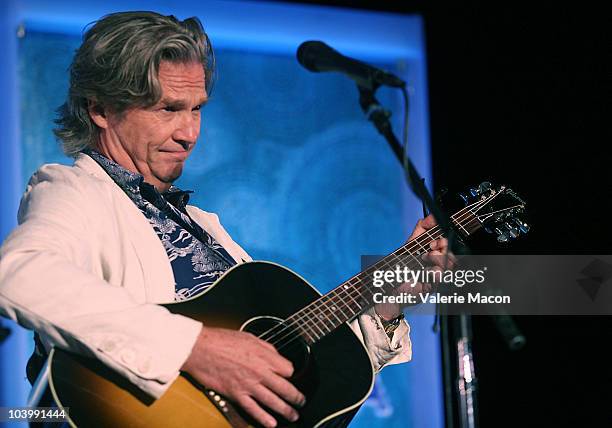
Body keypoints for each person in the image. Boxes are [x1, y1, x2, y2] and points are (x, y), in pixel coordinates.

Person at [0, 11, 449, 428]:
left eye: (196, 109)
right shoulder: (74, 191)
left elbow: (290, 371)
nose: (190, 133)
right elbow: (19, 276)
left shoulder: (201, 223)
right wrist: (196, 349)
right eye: (168, 109)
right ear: (100, 108)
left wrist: (390, 299)